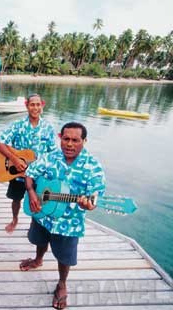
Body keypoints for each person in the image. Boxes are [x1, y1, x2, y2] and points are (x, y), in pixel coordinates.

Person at [22, 122, 106, 309]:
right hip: (42, 213)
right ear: (60, 138)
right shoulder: (50, 157)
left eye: (75, 140)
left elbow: (95, 195)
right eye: (66, 139)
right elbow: (30, 173)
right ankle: (38, 260)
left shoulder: (93, 167)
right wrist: (32, 193)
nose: (69, 144)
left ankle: (61, 284)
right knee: (39, 240)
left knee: (64, 257)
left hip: (68, 223)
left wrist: (89, 204)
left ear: (84, 141)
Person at [0, 93, 56, 233]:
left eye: (38, 104)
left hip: (39, 174)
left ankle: (35, 226)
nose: (35, 108)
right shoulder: (18, 125)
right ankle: (14, 219)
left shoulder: (48, 127)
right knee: (16, 199)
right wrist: (15, 159)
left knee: (39, 200)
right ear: (26, 105)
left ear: (42, 105)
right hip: (18, 173)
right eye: (32, 104)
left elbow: (53, 152)